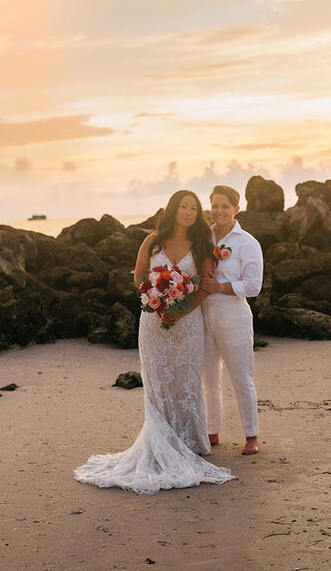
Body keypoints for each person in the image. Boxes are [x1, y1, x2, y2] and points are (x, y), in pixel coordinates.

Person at [74, 190, 234, 494]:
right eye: (183, 206)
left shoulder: (202, 244)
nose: (188, 212)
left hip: (187, 325)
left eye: (193, 208)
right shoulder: (153, 241)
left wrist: (181, 309)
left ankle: (190, 441)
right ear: (173, 209)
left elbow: (205, 287)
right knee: (158, 381)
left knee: (186, 380)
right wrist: (158, 302)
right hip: (153, 322)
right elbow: (138, 278)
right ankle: (159, 439)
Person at [200, 184, 263, 455]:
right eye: (215, 206)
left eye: (225, 206)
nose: (219, 211)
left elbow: (253, 285)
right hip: (203, 313)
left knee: (241, 377)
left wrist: (221, 288)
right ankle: (212, 430)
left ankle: (251, 435)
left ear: (237, 209)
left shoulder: (247, 242)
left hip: (233, 313)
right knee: (209, 376)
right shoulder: (203, 238)